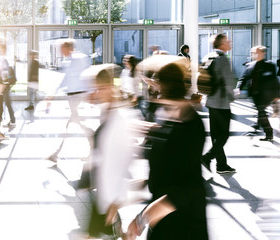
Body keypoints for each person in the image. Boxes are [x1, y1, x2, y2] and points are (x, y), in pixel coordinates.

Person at [126, 63, 209, 240]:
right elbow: (166, 167)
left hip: (182, 223)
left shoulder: (188, 127)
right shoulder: (173, 119)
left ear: (165, 86)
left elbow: (182, 190)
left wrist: (141, 220)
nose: (153, 86)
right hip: (165, 217)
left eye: (157, 82)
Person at [86, 67, 134, 239]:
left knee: (99, 233)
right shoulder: (106, 112)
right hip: (103, 190)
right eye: (96, 88)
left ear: (112, 87)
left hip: (110, 193)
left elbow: (124, 161)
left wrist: (115, 203)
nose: (98, 92)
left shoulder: (119, 119)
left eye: (102, 88)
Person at [201, 34, 236, 174]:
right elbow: (228, 82)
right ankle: (207, 157)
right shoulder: (223, 59)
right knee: (224, 135)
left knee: (216, 135)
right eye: (227, 41)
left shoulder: (209, 57)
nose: (230, 42)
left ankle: (221, 165)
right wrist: (232, 97)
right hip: (222, 103)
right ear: (221, 44)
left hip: (210, 101)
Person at [235, 46, 279, 141]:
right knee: (261, 113)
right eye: (253, 53)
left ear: (263, 53)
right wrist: (238, 88)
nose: (254, 54)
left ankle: (259, 130)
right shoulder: (249, 65)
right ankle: (263, 131)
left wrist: (276, 95)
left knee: (261, 112)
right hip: (255, 95)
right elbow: (243, 79)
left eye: (256, 52)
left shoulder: (270, 65)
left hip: (266, 95)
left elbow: (274, 80)